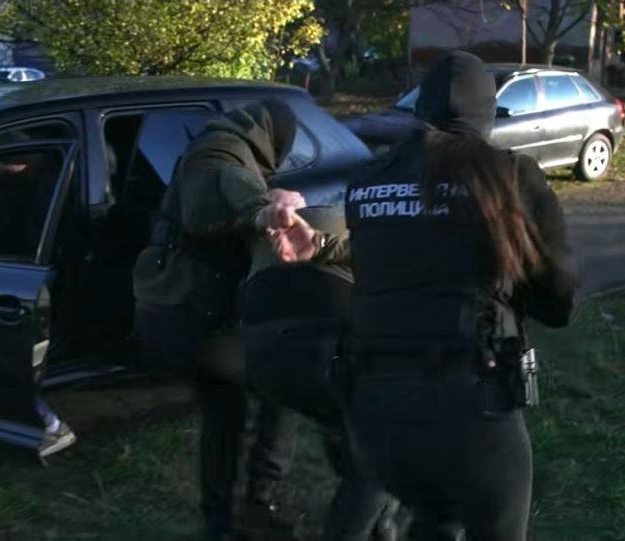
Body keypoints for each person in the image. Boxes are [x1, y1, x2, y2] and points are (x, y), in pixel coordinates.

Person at [271, 51, 578, 539]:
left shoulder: (368, 180)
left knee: (434, 519)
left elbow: (398, 256)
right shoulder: (511, 175)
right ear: (487, 114)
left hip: (375, 413)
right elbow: (558, 299)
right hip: (471, 406)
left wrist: (324, 246)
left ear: (419, 109)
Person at [132, 100, 305, 539]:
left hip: (188, 312)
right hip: (198, 316)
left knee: (224, 414)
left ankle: (221, 519)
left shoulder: (222, 143)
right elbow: (221, 189)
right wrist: (265, 207)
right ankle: (258, 501)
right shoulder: (220, 150)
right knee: (283, 385)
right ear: (274, 137)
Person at [243, 206, 398, 540]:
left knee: (344, 426)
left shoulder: (273, 214)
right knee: (380, 453)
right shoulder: (371, 222)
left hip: (260, 343)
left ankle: (256, 502)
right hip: (325, 338)